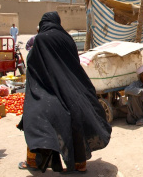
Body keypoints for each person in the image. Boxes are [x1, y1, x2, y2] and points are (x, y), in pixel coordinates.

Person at [18, 12, 111, 173]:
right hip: (73, 89)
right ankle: (79, 164)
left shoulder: (40, 39)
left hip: (48, 90)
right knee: (76, 117)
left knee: (33, 117)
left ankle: (33, 161)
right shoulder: (68, 39)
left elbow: (34, 65)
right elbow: (73, 64)